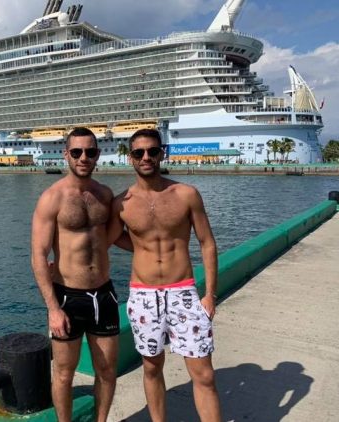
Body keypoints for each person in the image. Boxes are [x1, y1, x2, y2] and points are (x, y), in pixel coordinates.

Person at [108, 128, 221, 422]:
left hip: (184, 292)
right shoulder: (122, 203)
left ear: (162, 153)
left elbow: (207, 243)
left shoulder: (186, 194)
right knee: (151, 367)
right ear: (130, 158)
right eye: (138, 152)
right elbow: (109, 237)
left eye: (152, 151)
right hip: (143, 295)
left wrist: (210, 294)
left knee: (204, 374)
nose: (146, 157)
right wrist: (141, 247)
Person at [31, 127, 119, 422]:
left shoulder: (105, 195)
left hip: (104, 294)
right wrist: (53, 309)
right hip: (68, 297)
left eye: (90, 152)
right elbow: (38, 255)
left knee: (107, 371)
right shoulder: (52, 198)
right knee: (64, 373)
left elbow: (112, 235)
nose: (84, 158)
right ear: (66, 154)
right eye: (77, 152)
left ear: (97, 155)